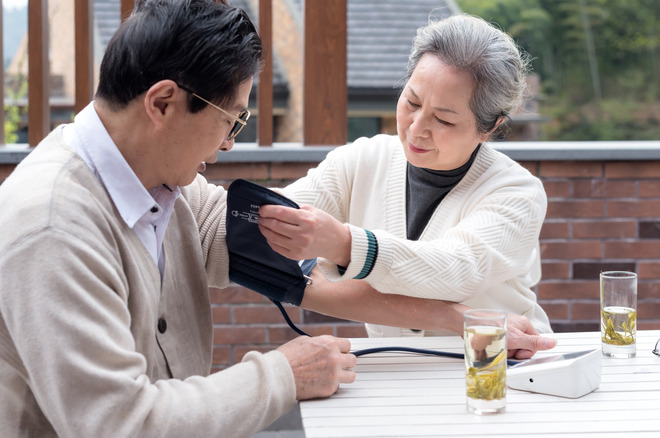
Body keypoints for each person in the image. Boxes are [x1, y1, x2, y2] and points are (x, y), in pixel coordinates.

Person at [0, 1, 355, 436]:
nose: (227, 145)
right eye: (231, 120)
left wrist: (359, 250)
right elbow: (122, 423)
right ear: (164, 103)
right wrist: (284, 375)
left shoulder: (160, 180)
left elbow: (270, 242)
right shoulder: (53, 230)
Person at [258, 14, 555, 358]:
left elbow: (454, 270)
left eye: (443, 119)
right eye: (412, 102)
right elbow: (271, 221)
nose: (416, 128)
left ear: (489, 127)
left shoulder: (517, 193)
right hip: (396, 368)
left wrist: (344, 245)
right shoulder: (362, 160)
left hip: (507, 367)